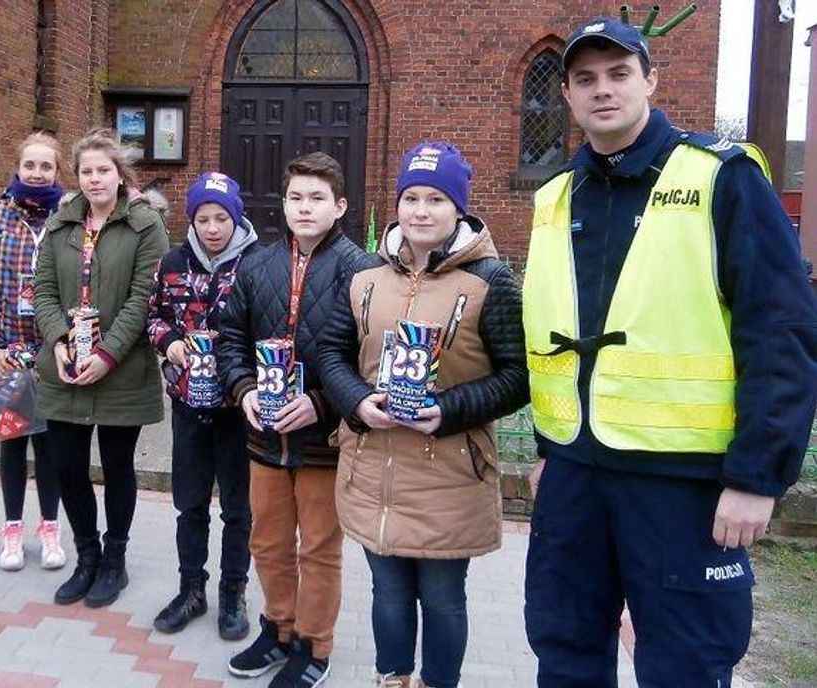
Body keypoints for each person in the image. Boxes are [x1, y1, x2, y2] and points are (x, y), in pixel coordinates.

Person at [522, 18, 817, 687]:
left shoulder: (722, 177)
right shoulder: (554, 196)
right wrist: (549, 450)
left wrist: (758, 476)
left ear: (651, 80)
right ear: (566, 95)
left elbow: (780, 330)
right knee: (563, 651)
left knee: (685, 664)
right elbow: (550, 327)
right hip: (574, 476)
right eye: (585, 79)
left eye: (619, 74)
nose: (602, 90)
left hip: (683, 485)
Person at [318, 142, 529, 688]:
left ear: (458, 207)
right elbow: (331, 353)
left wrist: (448, 409)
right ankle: (393, 678)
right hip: (374, 469)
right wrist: (357, 401)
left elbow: (519, 376)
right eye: (411, 197)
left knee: (442, 598)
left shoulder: (489, 281)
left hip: (448, 473)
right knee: (387, 592)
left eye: (436, 199)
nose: (421, 211)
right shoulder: (365, 276)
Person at [218, 152, 378, 687]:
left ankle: (313, 645)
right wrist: (243, 390)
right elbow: (231, 339)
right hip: (264, 436)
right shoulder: (257, 264)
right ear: (283, 204)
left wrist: (323, 402)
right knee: (267, 542)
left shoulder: (362, 271)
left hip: (323, 441)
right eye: (295, 197)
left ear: (340, 205)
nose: (304, 207)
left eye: (316, 198)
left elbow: (368, 359)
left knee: (318, 548)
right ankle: (278, 629)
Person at [32, 127, 169, 608]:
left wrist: (107, 354)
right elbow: (43, 289)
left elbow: (144, 296)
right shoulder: (61, 223)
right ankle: (86, 556)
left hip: (122, 368)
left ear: (119, 174)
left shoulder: (145, 224)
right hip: (67, 366)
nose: (94, 179)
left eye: (103, 170)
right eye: (86, 171)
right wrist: (59, 340)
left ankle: (115, 560)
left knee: (116, 466)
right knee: (67, 466)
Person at [146, 172, 259, 639]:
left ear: (236, 218)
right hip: (188, 403)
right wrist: (169, 341)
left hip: (237, 408)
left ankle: (233, 591)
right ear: (192, 220)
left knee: (237, 508)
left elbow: (269, 325)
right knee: (190, 504)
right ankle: (191, 588)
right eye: (203, 218)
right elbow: (154, 315)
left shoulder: (257, 263)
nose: (212, 228)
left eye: (221, 218)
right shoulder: (173, 263)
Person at [0, 132, 68, 572]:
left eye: (46, 166)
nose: (37, 173)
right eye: (30, 165)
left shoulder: (69, 218)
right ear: (18, 167)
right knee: (12, 444)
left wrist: (66, 342)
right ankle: (12, 529)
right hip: (10, 351)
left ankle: (50, 528)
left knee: (49, 446)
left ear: (57, 172)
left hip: (53, 353)